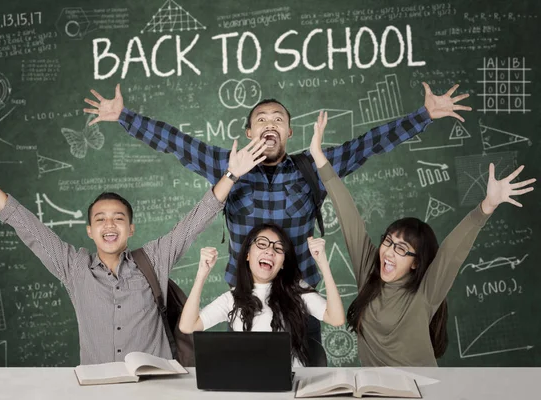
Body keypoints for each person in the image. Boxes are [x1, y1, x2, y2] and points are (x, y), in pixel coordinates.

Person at [83, 83, 471, 291]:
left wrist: (424, 116)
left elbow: (366, 145)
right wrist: (124, 117)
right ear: (249, 131)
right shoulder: (227, 165)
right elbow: (175, 142)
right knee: (243, 381)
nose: (270, 123)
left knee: (311, 379)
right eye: (261, 119)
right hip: (244, 293)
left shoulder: (311, 167)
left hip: (300, 292)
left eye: (278, 119)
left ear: (288, 131)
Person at [0, 139, 267, 365]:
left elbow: (196, 220)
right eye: (100, 219)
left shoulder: (154, 259)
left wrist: (232, 174)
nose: (109, 225)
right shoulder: (73, 266)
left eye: (118, 219)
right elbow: (30, 228)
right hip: (97, 387)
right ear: (89, 231)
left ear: (131, 229)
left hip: (156, 387)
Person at [309, 111, 536, 366]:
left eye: (402, 249)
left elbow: (451, 252)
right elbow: (347, 213)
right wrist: (318, 157)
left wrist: (485, 208)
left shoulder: (425, 293)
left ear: (416, 262)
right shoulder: (368, 272)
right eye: (388, 241)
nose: (389, 252)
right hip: (375, 392)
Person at [178, 223, 345, 367]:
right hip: (249, 386)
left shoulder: (296, 290)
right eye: (262, 244)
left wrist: (323, 263)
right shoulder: (232, 298)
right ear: (248, 255)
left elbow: (336, 318)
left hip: (293, 386)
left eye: (278, 248)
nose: (270, 251)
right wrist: (201, 274)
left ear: (282, 264)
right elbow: (188, 326)